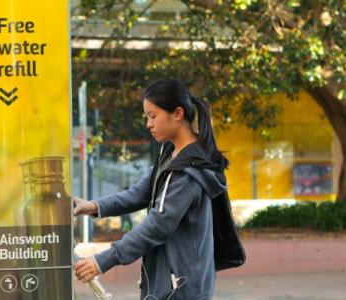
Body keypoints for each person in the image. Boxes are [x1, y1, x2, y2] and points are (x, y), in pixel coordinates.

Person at [74, 78, 245, 300]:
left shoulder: (186, 172)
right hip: (170, 282)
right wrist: (93, 206)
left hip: (180, 289)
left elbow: (156, 226)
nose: (148, 124)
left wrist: (103, 260)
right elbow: (140, 193)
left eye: (153, 116)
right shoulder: (170, 153)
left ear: (178, 114)